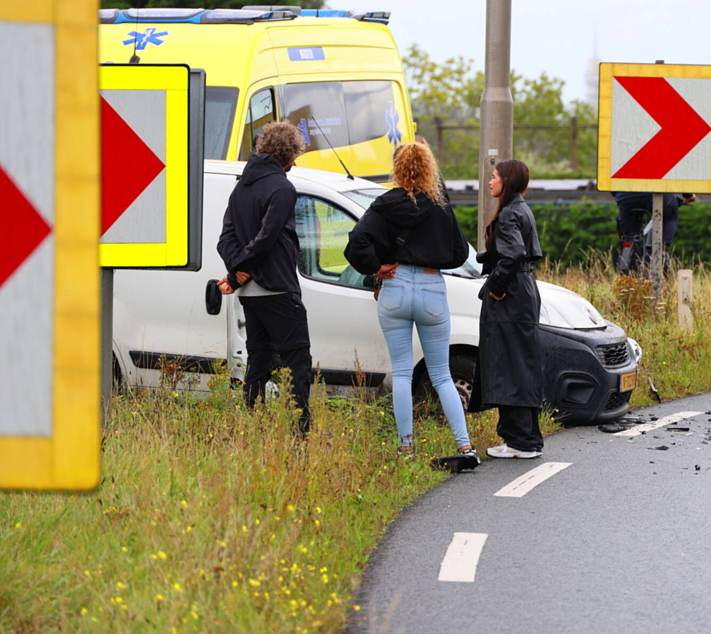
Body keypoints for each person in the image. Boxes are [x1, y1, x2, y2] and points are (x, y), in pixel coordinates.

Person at [344, 142, 476, 461]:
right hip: (431, 288)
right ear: (430, 167)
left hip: (395, 286)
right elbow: (459, 253)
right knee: (442, 374)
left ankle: (406, 447)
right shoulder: (440, 204)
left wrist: (377, 266)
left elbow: (355, 244)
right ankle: (464, 445)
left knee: (402, 373)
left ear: (397, 168)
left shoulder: (384, 203)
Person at [216, 121, 313, 436]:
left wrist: (238, 271)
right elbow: (267, 238)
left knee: (258, 359)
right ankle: (300, 432)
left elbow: (225, 239)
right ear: (290, 154)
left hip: (250, 293)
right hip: (278, 287)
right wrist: (238, 270)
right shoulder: (283, 188)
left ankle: (252, 423)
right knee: (297, 360)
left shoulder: (241, 187)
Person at [467, 159, 545, 459]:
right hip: (524, 292)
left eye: (494, 176)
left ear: (507, 180)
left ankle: (519, 441)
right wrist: (487, 257)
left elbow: (513, 256)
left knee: (508, 365)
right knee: (520, 363)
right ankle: (525, 439)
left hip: (511, 297)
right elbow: (516, 253)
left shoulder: (509, 214)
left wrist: (497, 287)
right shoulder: (521, 209)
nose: (489, 182)